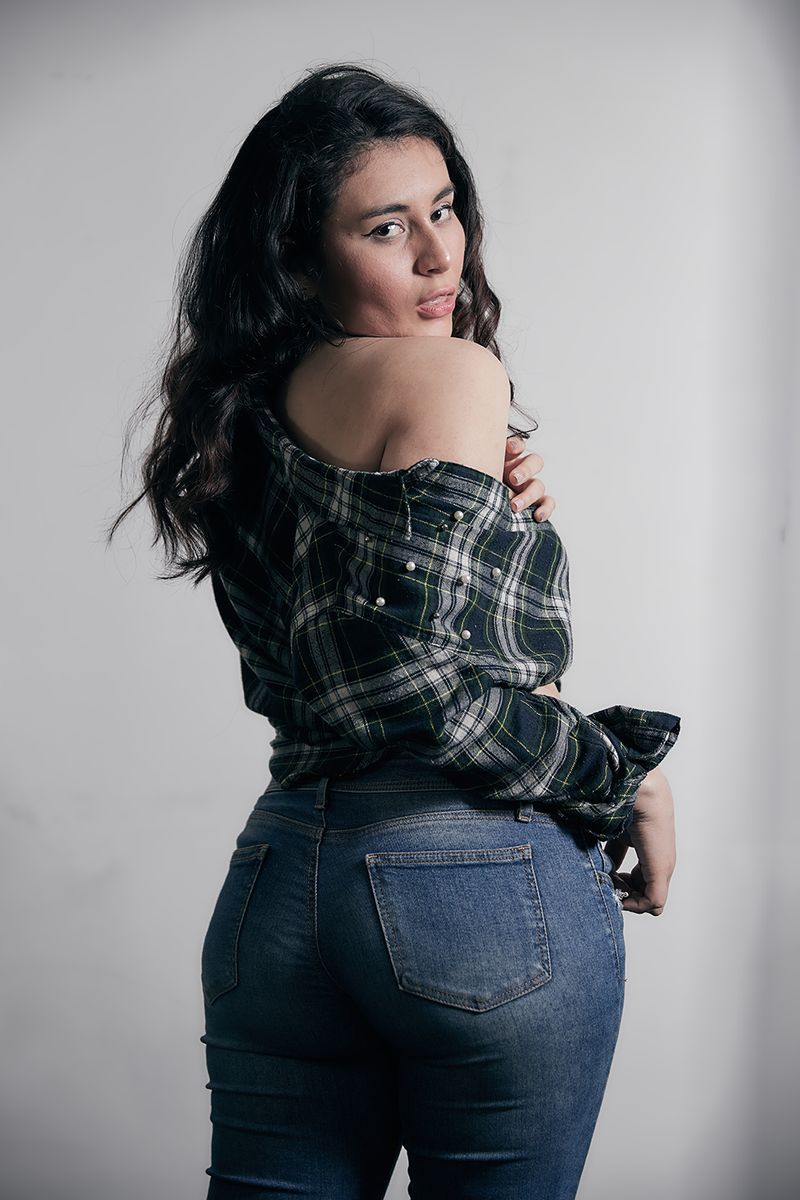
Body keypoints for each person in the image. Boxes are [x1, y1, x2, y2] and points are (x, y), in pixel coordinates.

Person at [108, 62, 681, 1200]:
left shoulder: (238, 416)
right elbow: (416, 688)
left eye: (444, 209)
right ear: (301, 257)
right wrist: (619, 777)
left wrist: (488, 536)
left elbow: (348, 656)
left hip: (280, 887)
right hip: (465, 877)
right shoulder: (448, 374)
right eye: (384, 227)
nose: (437, 255)